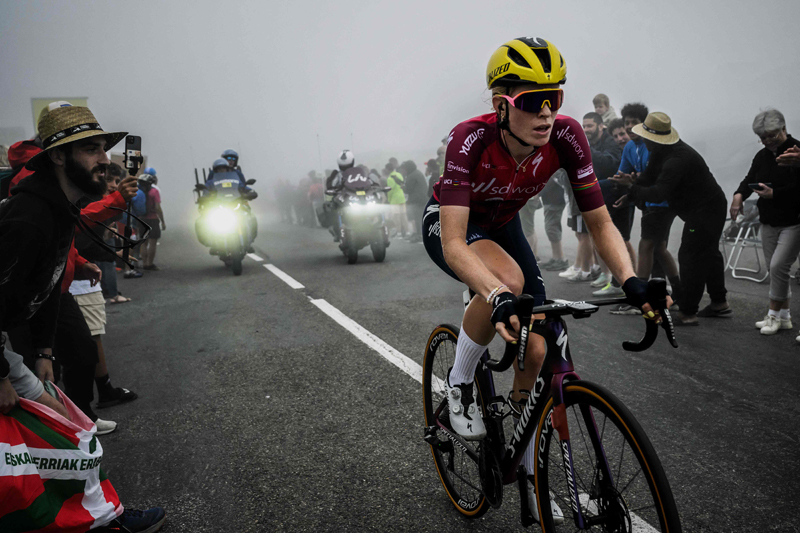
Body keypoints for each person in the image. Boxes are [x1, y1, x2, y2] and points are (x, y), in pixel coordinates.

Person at [422, 37, 659, 522]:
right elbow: (453, 244)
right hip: (454, 223)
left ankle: (521, 446)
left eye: (555, 98)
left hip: (504, 223)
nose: (547, 112)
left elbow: (598, 222)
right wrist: (494, 293)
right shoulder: (470, 139)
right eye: (532, 101)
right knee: (505, 282)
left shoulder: (569, 136)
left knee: (538, 343)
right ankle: (461, 379)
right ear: (500, 105)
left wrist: (631, 279)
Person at [0, 101, 165, 532]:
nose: (103, 160)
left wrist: (44, 350)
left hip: (11, 350)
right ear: (57, 156)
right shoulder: (28, 218)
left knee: (68, 430)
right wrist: (1, 374)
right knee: (55, 438)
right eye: (90, 149)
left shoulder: (60, 209)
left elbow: (50, 286)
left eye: (103, 149)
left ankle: (97, 516)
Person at [611, 112, 728, 326]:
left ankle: (688, 312)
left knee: (691, 256)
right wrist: (629, 195)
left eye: (646, 137)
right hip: (698, 208)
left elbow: (658, 193)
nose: (643, 140)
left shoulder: (678, 159)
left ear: (656, 139)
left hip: (707, 209)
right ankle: (719, 303)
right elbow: (648, 177)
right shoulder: (659, 151)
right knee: (709, 254)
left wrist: (632, 188)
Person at [730, 109, 800, 337]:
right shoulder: (761, 156)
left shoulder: (795, 151)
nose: (768, 141)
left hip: (793, 220)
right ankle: (785, 317)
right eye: (763, 137)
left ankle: (772, 314)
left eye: (771, 135)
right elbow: (749, 178)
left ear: (783, 129)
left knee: (779, 266)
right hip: (768, 220)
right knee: (775, 269)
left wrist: (775, 193)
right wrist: (739, 195)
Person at [610, 103, 681, 315]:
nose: (630, 127)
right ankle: (678, 291)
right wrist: (625, 191)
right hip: (647, 202)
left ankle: (638, 298)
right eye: (627, 123)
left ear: (644, 125)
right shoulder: (630, 147)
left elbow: (654, 179)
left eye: (634, 123)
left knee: (645, 246)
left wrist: (632, 181)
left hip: (663, 203)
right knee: (659, 249)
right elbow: (623, 174)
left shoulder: (653, 146)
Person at [138, 172, 165, 270]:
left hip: (141, 219)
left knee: (143, 242)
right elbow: (158, 207)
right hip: (153, 219)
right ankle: (150, 263)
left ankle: (144, 263)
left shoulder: (138, 192)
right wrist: (162, 221)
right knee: (152, 243)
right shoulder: (154, 192)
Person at [399, 160, 427, 242]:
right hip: (422, 198)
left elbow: (408, 190)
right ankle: (418, 234)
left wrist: (403, 187)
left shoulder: (411, 176)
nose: (403, 171)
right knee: (419, 217)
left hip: (416, 200)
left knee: (417, 218)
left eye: (404, 169)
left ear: (407, 168)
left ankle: (419, 235)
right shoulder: (417, 173)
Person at [385, 163, 407, 238]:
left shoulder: (389, 179)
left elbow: (390, 190)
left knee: (396, 217)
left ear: (387, 170)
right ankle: (407, 232)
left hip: (394, 199)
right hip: (402, 197)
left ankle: (399, 233)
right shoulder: (399, 175)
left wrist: (389, 199)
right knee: (403, 215)